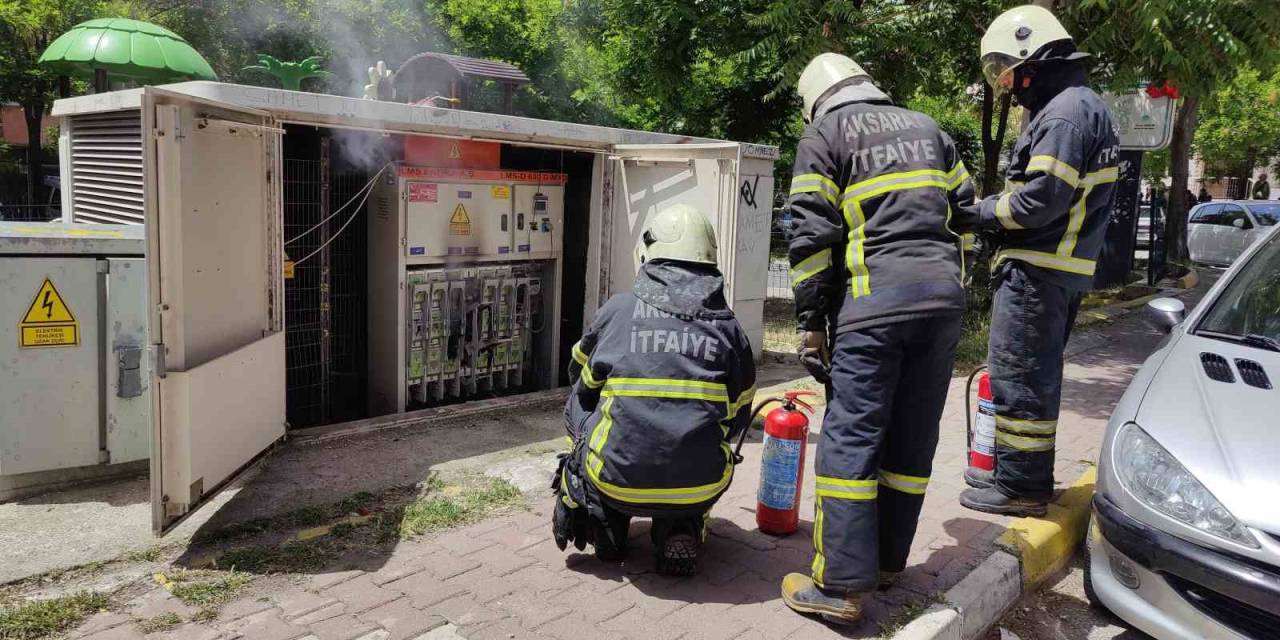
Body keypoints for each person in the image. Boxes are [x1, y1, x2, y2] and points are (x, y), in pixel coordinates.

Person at [779, 52, 974, 623]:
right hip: (942, 304)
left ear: (817, 100)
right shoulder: (930, 129)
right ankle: (887, 562)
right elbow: (964, 214)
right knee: (911, 438)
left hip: (873, 306)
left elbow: (811, 237)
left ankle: (839, 586)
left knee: (850, 440)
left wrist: (812, 323)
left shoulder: (825, 134)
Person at [952, 5, 1120, 516]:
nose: (1007, 83)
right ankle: (1015, 472)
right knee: (1032, 375)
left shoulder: (1064, 114)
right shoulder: (1082, 105)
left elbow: (1040, 200)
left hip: (1037, 270)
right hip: (1057, 270)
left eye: (1008, 69)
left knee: (1020, 377)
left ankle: (1022, 486)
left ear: (1033, 56)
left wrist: (979, 213)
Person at [551, 204, 756, 576]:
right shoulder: (729, 327)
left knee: (577, 403)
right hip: (699, 483)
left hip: (617, 479)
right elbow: (740, 414)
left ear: (650, 255)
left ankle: (605, 519)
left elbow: (579, 375)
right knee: (702, 453)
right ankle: (682, 525)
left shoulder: (619, 309)